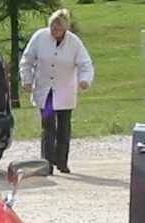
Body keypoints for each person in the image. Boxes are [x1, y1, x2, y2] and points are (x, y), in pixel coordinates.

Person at [19, 9, 94, 174]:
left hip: (65, 91)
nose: (54, 32)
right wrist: (27, 80)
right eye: (52, 28)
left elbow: (85, 63)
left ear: (65, 28)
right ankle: (46, 163)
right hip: (46, 92)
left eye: (58, 29)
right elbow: (27, 60)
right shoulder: (39, 37)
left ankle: (62, 162)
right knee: (48, 127)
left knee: (64, 128)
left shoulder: (74, 42)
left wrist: (85, 80)